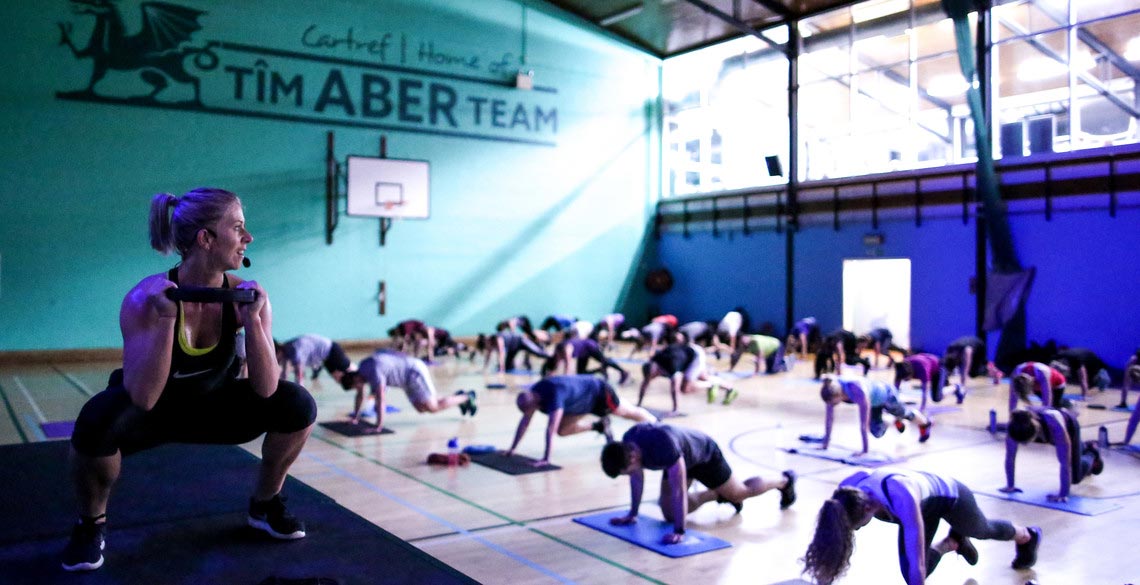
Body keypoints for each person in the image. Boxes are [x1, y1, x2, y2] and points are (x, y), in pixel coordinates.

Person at [63, 188, 318, 572]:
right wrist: (167, 319)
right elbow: (145, 398)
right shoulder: (143, 299)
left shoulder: (246, 298)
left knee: (298, 404)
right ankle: (90, 524)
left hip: (215, 407)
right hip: (152, 413)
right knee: (94, 420)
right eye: (238, 228)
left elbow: (265, 390)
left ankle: (264, 505)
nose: (248, 238)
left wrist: (252, 322)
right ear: (206, 238)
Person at [802, 468, 1042, 585]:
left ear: (867, 511)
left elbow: (918, 562)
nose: (860, 530)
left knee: (982, 530)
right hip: (922, 508)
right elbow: (833, 536)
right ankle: (953, 542)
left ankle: (1027, 536)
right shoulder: (846, 492)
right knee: (911, 575)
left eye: (860, 527)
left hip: (951, 497)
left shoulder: (900, 497)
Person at [601, 422, 796, 543]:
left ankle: (785, 481)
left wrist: (680, 531)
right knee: (669, 513)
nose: (630, 475)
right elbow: (637, 479)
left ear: (633, 458)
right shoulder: (628, 443)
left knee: (739, 492)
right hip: (682, 457)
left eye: (626, 472)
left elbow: (679, 492)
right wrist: (632, 514)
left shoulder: (664, 447)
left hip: (705, 455)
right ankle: (717, 494)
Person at [506, 375, 656, 465]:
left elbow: (550, 428)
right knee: (563, 431)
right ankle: (599, 426)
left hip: (599, 393)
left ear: (534, 403)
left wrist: (546, 458)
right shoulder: (534, 394)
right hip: (580, 403)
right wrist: (512, 448)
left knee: (625, 412)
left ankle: (653, 424)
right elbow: (525, 422)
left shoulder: (554, 395)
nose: (528, 414)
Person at [340, 349, 476, 429]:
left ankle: (466, 397)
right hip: (404, 380)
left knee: (433, 407)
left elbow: (381, 398)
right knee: (421, 409)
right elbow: (359, 396)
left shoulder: (373, 372)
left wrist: (378, 425)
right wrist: (355, 418)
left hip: (414, 372)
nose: (359, 389)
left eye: (355, 386)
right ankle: (458, 398)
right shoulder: (362, 369)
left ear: (355, 379)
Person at [1002, 407, 1104, 502]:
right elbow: (1010, 457)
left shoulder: (1055, 426)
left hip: (1069, 426)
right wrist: (1010, 485)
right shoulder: (1015, 426)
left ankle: (1091, 453)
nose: (1024, 445)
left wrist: (1063, 494)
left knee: (1074, 478)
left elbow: (1065, 464)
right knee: (1071, 454)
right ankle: (1082, 446)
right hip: (1043, 430)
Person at [819, 376, 933, 455]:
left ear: (840, 395)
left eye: (834, 403)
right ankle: (892, 420)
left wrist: (865, 451)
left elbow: (864, 425)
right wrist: (825, 443)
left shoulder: (857, 390)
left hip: (888, 395)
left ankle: (925, 423)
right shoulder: (831, 391)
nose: (832, 406)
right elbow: (829, 419)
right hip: (875, 403)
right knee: (877, 432)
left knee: (904, 414)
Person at [639, 342, 736, 412]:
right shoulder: (654, 361)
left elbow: (675, 389)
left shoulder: (671, 366)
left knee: (685, 388)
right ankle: (730, 388)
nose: (651, 379)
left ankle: (710, 385)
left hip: (695, 356)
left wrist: (675, 410)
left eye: (652, 377)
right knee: (703, 377)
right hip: (688, 351)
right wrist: (639, 404)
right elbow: (645, 383)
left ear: (655, 371)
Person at [544, 328, 629, 384]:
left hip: (589, 346)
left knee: (604, 361)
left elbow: (568, 366)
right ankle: (599, 370)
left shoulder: (566, 349)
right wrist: (549, 377)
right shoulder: (557, 351)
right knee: (580, 373)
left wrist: (566, 381)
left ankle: (623, 372)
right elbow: (555, 366)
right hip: (582, 352)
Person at [275, 334, 354, 385]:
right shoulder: (285, 351)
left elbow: (300, 375)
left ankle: (361, 375)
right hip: (322, 357)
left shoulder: (294, 350)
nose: (277, 361)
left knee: (347, 369)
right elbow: (284, 374)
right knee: (338, 379)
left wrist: (300, 393)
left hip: (331, 349)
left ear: (278, 351)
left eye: (275, 357)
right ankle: (317, 367)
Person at [484, 321, 552, 374]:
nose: (487, 345)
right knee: (508, 367)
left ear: (491, 339)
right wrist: (485, 368)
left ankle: (551, 356)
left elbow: (501, 354)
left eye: (487, 342)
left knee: (538, 353)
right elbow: (488, 355)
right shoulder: (490, 342)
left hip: (521, 341)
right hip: (512, 348)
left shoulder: (498, 339)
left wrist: (501, 370)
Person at [942, 336, 988, 401]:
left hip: (979, 347)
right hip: (965, 346)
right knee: (950, 365)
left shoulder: (967, 351)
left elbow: (965, 371)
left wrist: (962, 387)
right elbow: (944, 368)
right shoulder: (949, 350)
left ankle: (995, 372)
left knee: (973, 373)